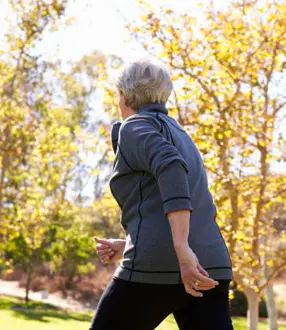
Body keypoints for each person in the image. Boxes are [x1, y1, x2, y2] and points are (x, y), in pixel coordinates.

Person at [90, 57, 233, 330]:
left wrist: (181, 249)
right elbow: (163, 196)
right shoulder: (181, 133)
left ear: (124, 96)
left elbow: (170, 167)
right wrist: (131, 244)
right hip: (211, 265)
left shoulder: (134, 126)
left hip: (162, 267)